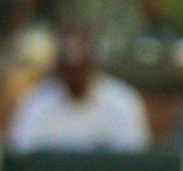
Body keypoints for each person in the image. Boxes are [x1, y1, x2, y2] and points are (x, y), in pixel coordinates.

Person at [8, 30, 151, 154]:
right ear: (58, 69)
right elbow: (20, 155)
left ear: (93, 66)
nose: (75, 78)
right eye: (69, 71)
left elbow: (134, 161)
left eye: (80, 70)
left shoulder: (122, 102)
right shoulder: (36, 104)